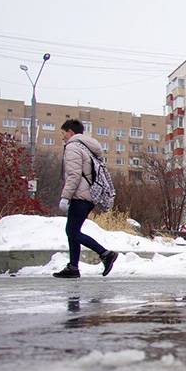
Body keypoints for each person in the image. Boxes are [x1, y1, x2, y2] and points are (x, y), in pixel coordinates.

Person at [53, 119, 117, 278]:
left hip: (80, 195)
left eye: (63, 133)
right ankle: (73, 267)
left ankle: (105, 254)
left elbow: (74, 175)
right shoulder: (87, 148)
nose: (63, 137)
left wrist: (65, 197)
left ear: (70, 132)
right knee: (73, 231)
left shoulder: (73, 147)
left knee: (72, 231)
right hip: (89, 195)